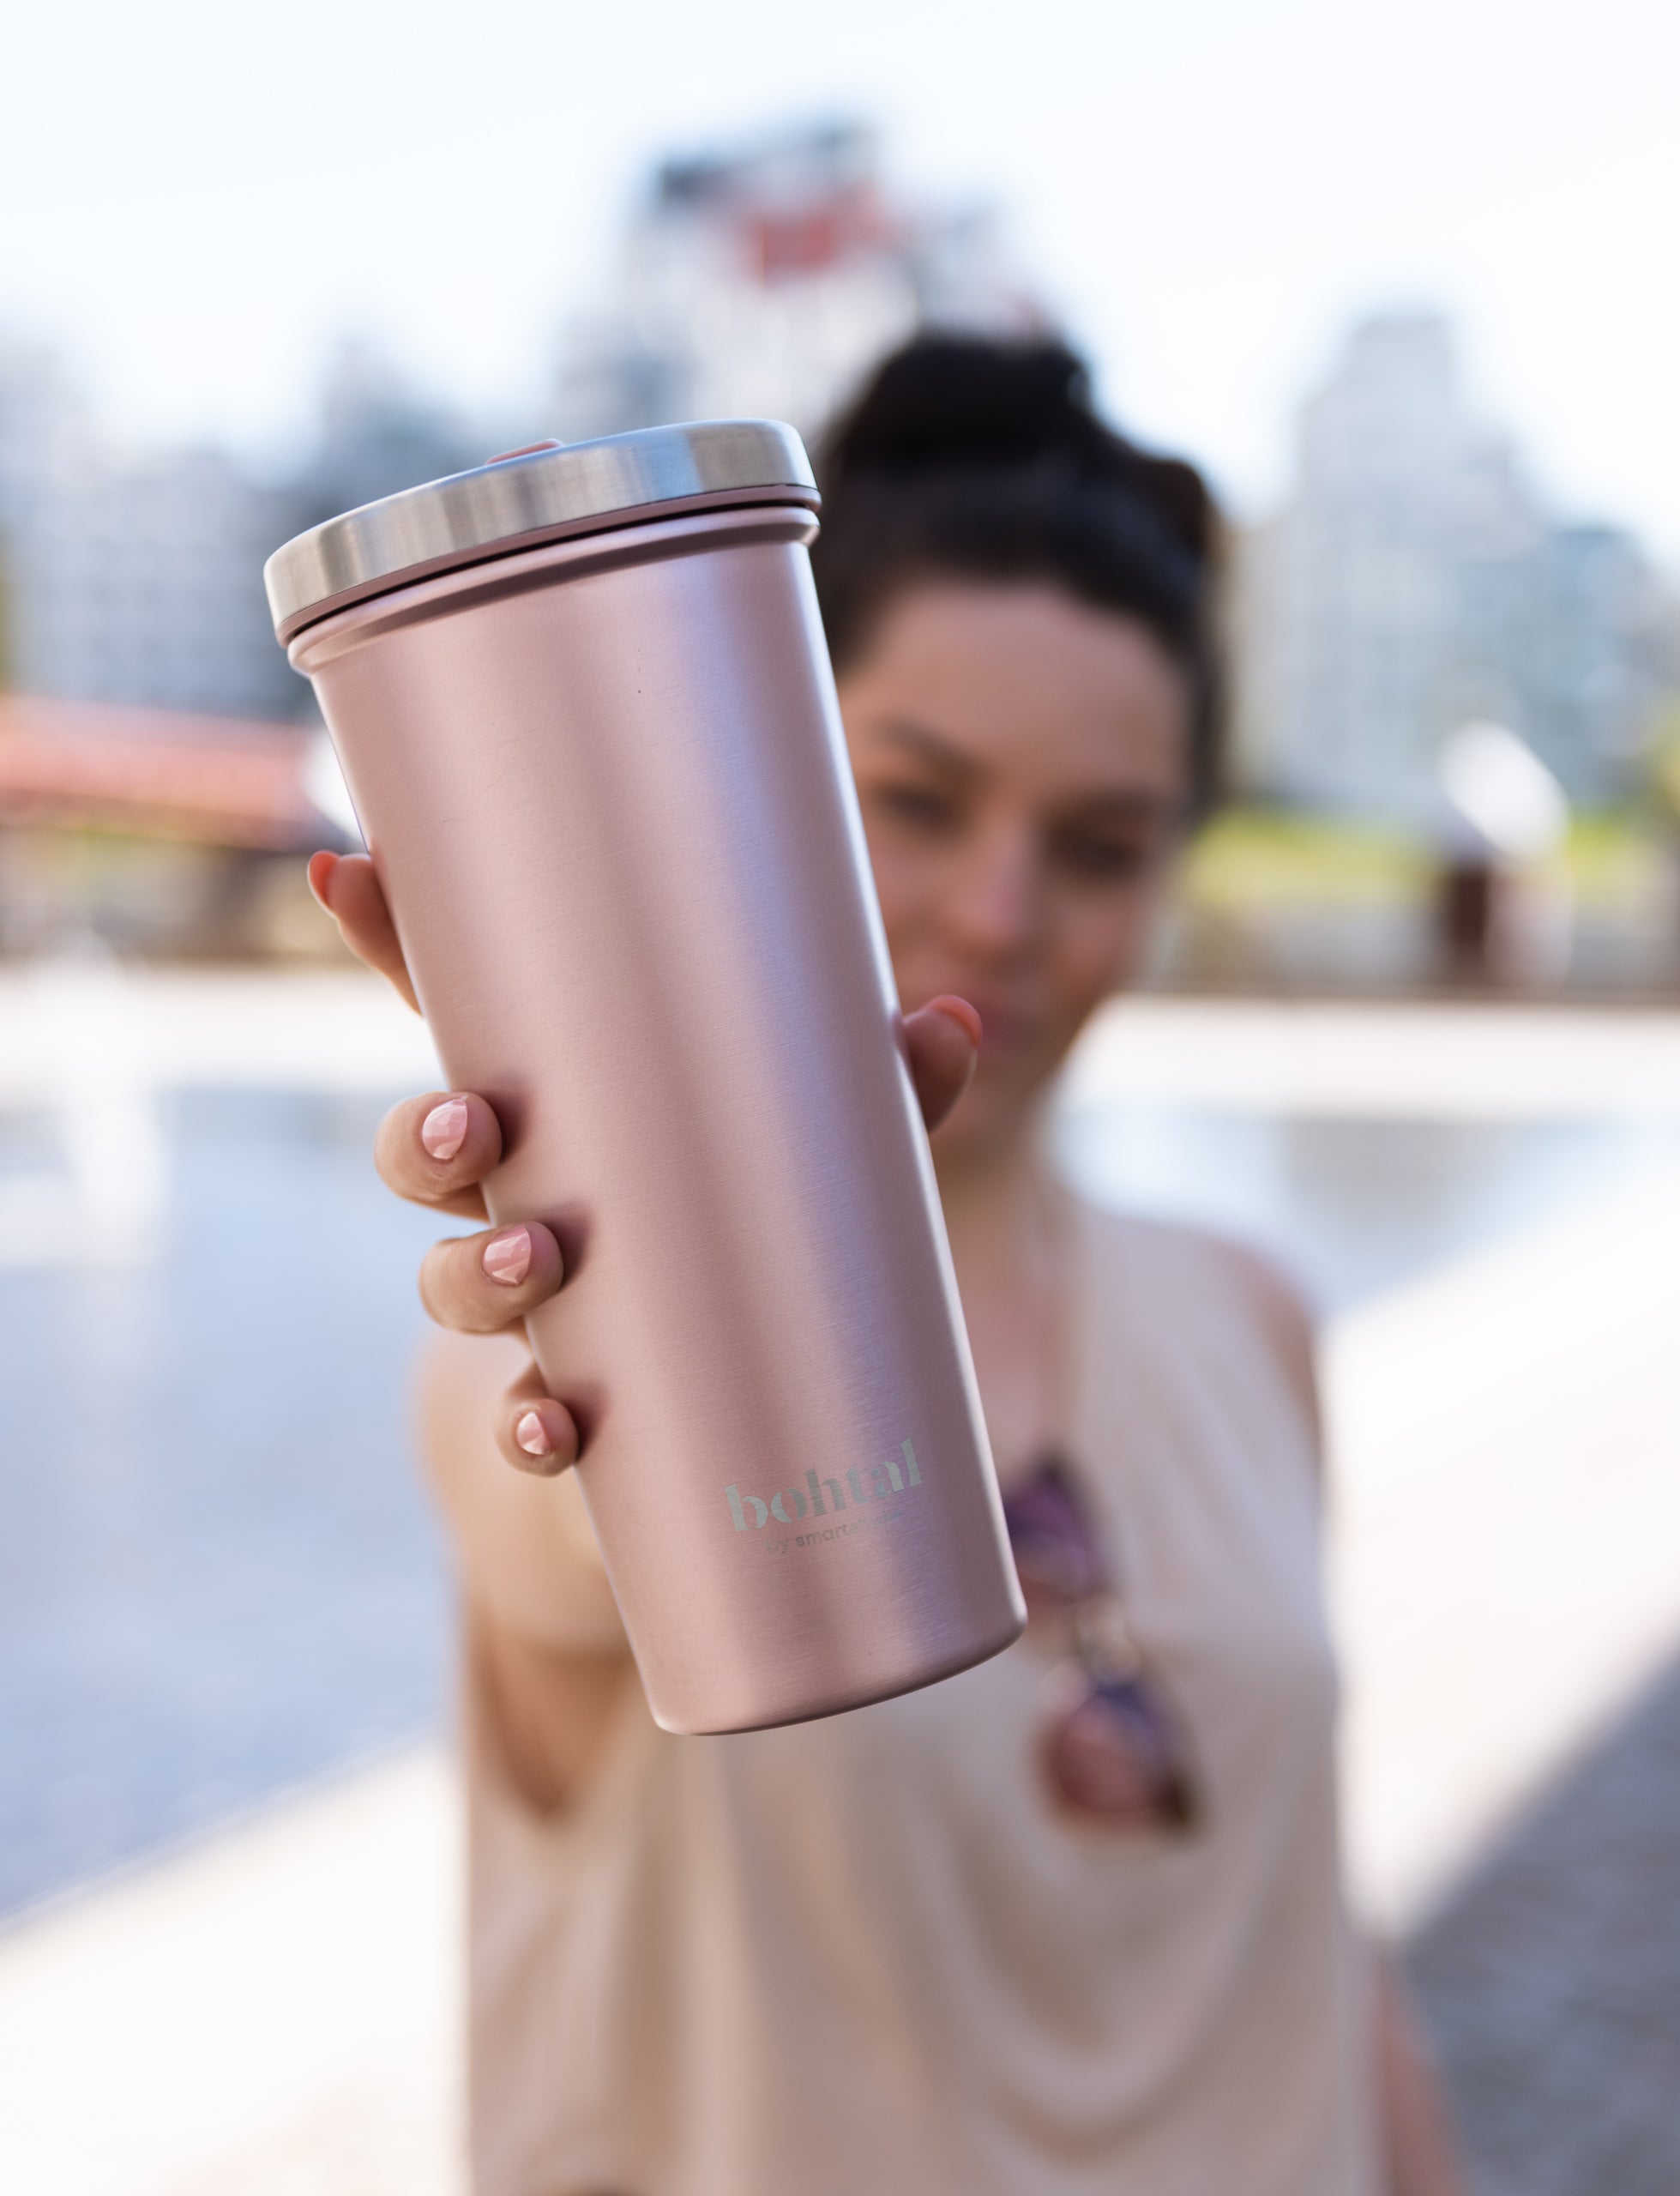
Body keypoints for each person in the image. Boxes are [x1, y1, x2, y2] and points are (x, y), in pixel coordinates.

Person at [308, 335, 1466, 2196]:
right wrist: (651, 1219)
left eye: (1100, 845)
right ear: (735, 753)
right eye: (917, 799)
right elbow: (565, 1535)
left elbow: (1316, 1934)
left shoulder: (1249, 1316)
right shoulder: (542, 1348)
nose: (1001, 913)